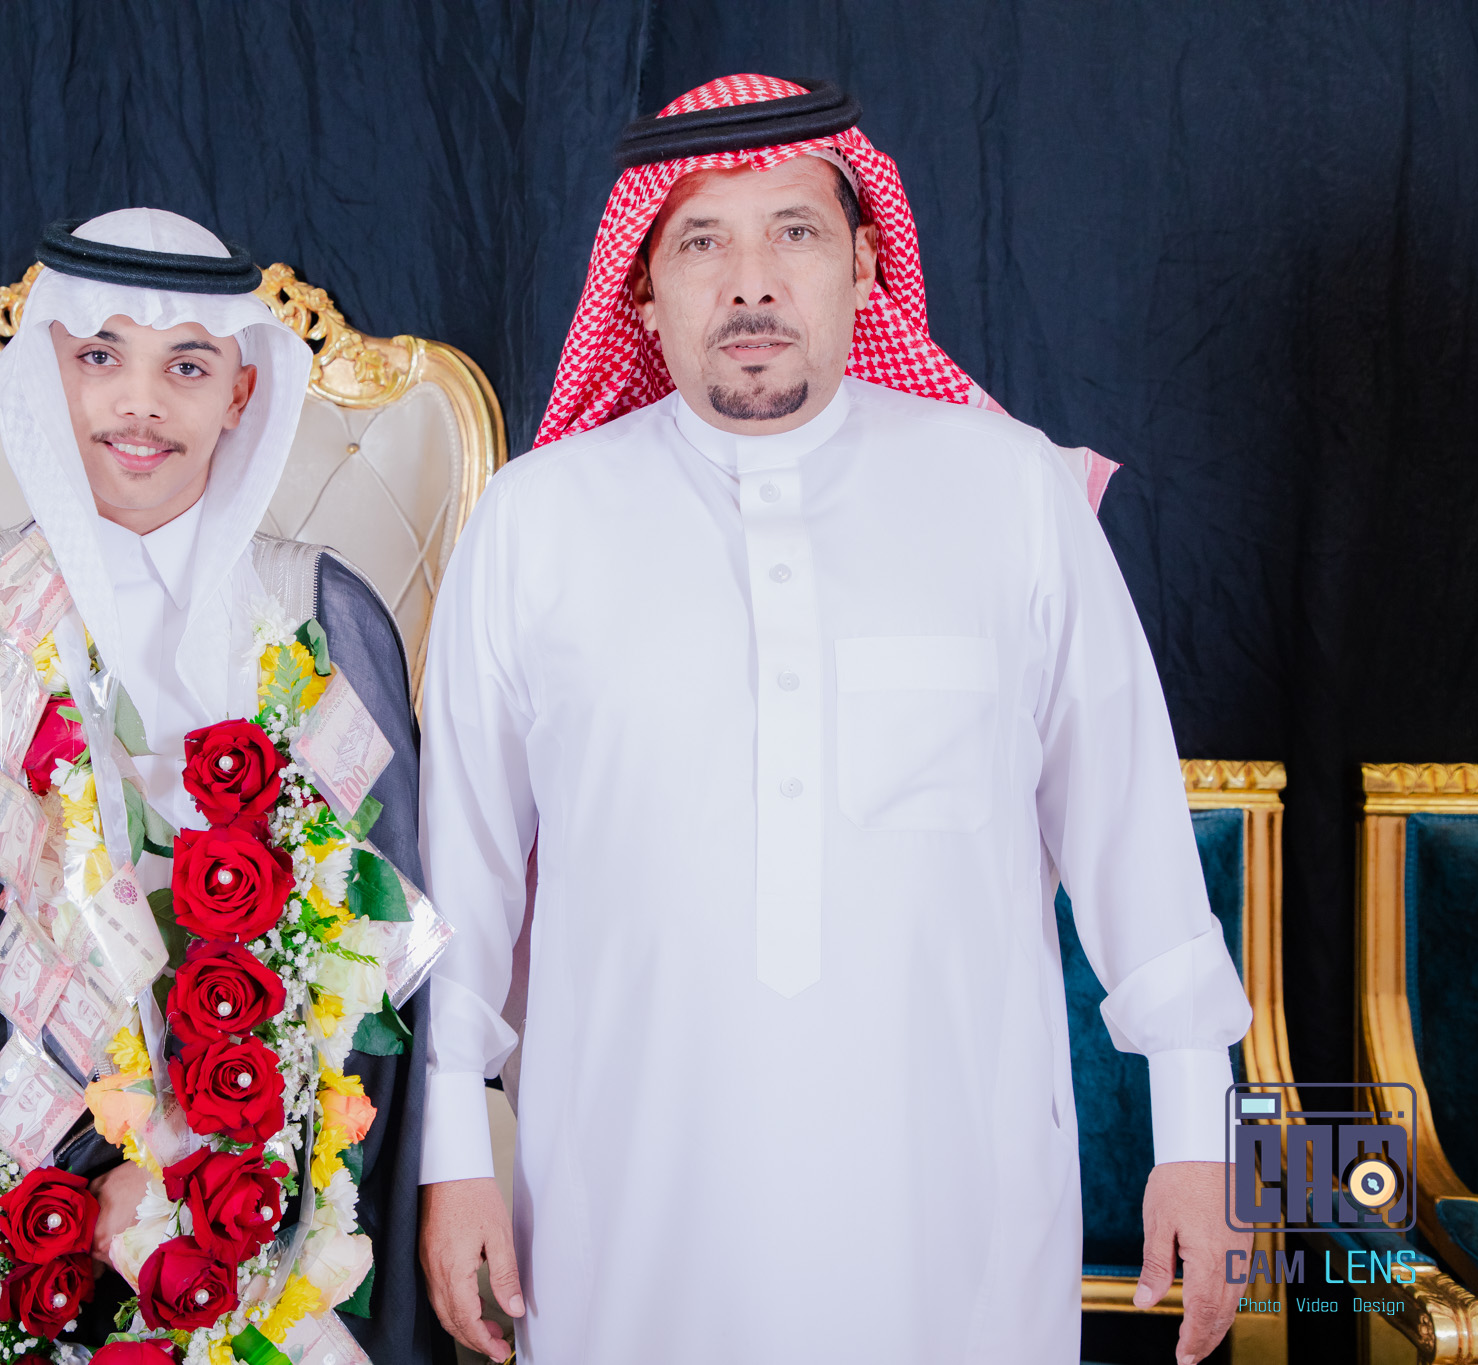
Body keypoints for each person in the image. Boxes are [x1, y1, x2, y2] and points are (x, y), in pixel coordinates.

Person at [415, 76, 1251, 1364]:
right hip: (627, 1209)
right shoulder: (534, 522)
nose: (749, 283)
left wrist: (1196, 1137)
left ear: (864, 265)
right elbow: (463, 879)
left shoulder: (1009, 494)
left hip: (953, 1210)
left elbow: (1129, 830)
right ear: (640, 291)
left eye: (794, 232)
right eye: (700, 241)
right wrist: (453, 1157)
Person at [0, 208, 444, 1365]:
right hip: (9, 1225)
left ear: (240, 393)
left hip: (268, 1218)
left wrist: (251, 1192)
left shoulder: (323, 619)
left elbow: (391, 996)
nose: (140, 404)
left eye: (185, 365)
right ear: (49, 373)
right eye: (100, 356)